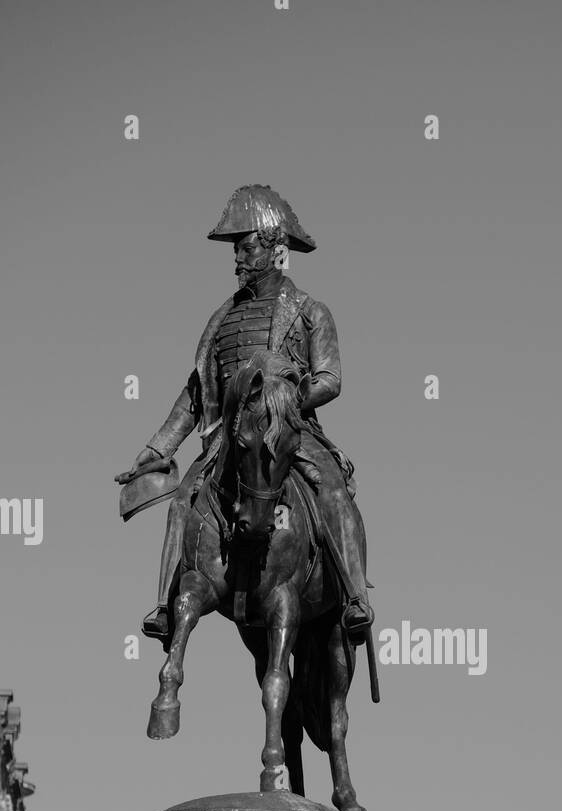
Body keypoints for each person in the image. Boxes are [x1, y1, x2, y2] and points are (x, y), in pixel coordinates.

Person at [116, 184, 374, 648]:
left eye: (246, 245)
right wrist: (156, 449)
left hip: (289, 429)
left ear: (276, 250)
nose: (237, 256)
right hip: (231, 441)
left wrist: (286, 402)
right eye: (236, 248)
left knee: (332, 490)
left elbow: (330, 378)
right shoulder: (222, 320)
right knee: (182, 501)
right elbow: (196, 395)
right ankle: (163, 606)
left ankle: (354, 595)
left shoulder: (310, 311)